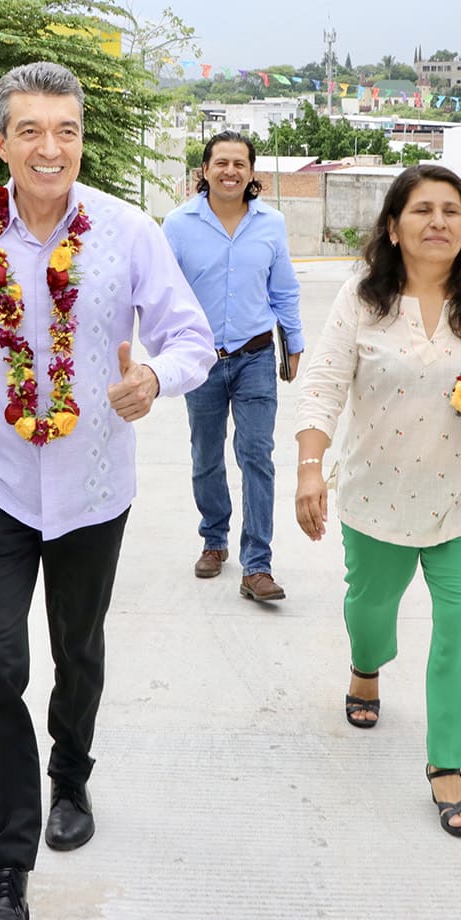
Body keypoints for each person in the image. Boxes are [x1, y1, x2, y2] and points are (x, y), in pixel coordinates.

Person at [0, 61, 216, 920]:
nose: (50, 147)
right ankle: (6, 869)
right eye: (30, 130)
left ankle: (70, 772)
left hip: (92, 482)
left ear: (80, 138)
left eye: (65, 130)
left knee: (77, 649)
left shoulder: (126, 231)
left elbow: (190, 335)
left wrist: (153, 376)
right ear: (1, 141)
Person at [293, 164, 461, 839]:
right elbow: (322, 383)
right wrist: (309, 467)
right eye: (422, 210)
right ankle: (365, 666)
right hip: (376, 494)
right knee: (369, 607)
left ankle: (447, 763)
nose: (438, 221)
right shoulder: (361, 299)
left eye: (452, 210)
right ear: (393, 225)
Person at [163, 130, 304, 601]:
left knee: (256, 455)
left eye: (239, 164)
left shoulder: (271, 224)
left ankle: (257, 564)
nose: (230, 171)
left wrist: (295, 341)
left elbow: (283, 289)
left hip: (256, 355)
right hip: (199, 359)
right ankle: (214, 539)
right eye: (220, 163)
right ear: (204, 170)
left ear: (251, 173)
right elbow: (165, 294)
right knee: (206, 455)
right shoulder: (178, 225)